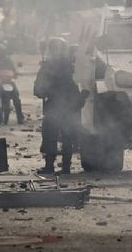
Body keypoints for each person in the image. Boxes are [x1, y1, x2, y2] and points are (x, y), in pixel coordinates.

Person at [33, 37, 83, 175]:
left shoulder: (48, 66)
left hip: (55, 106)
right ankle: (66, 167)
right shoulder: (72, 66)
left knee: (50, 137)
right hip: (70, 107)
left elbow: (38, 89)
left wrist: (43, 92)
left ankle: (49, 166)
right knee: (67, 137)